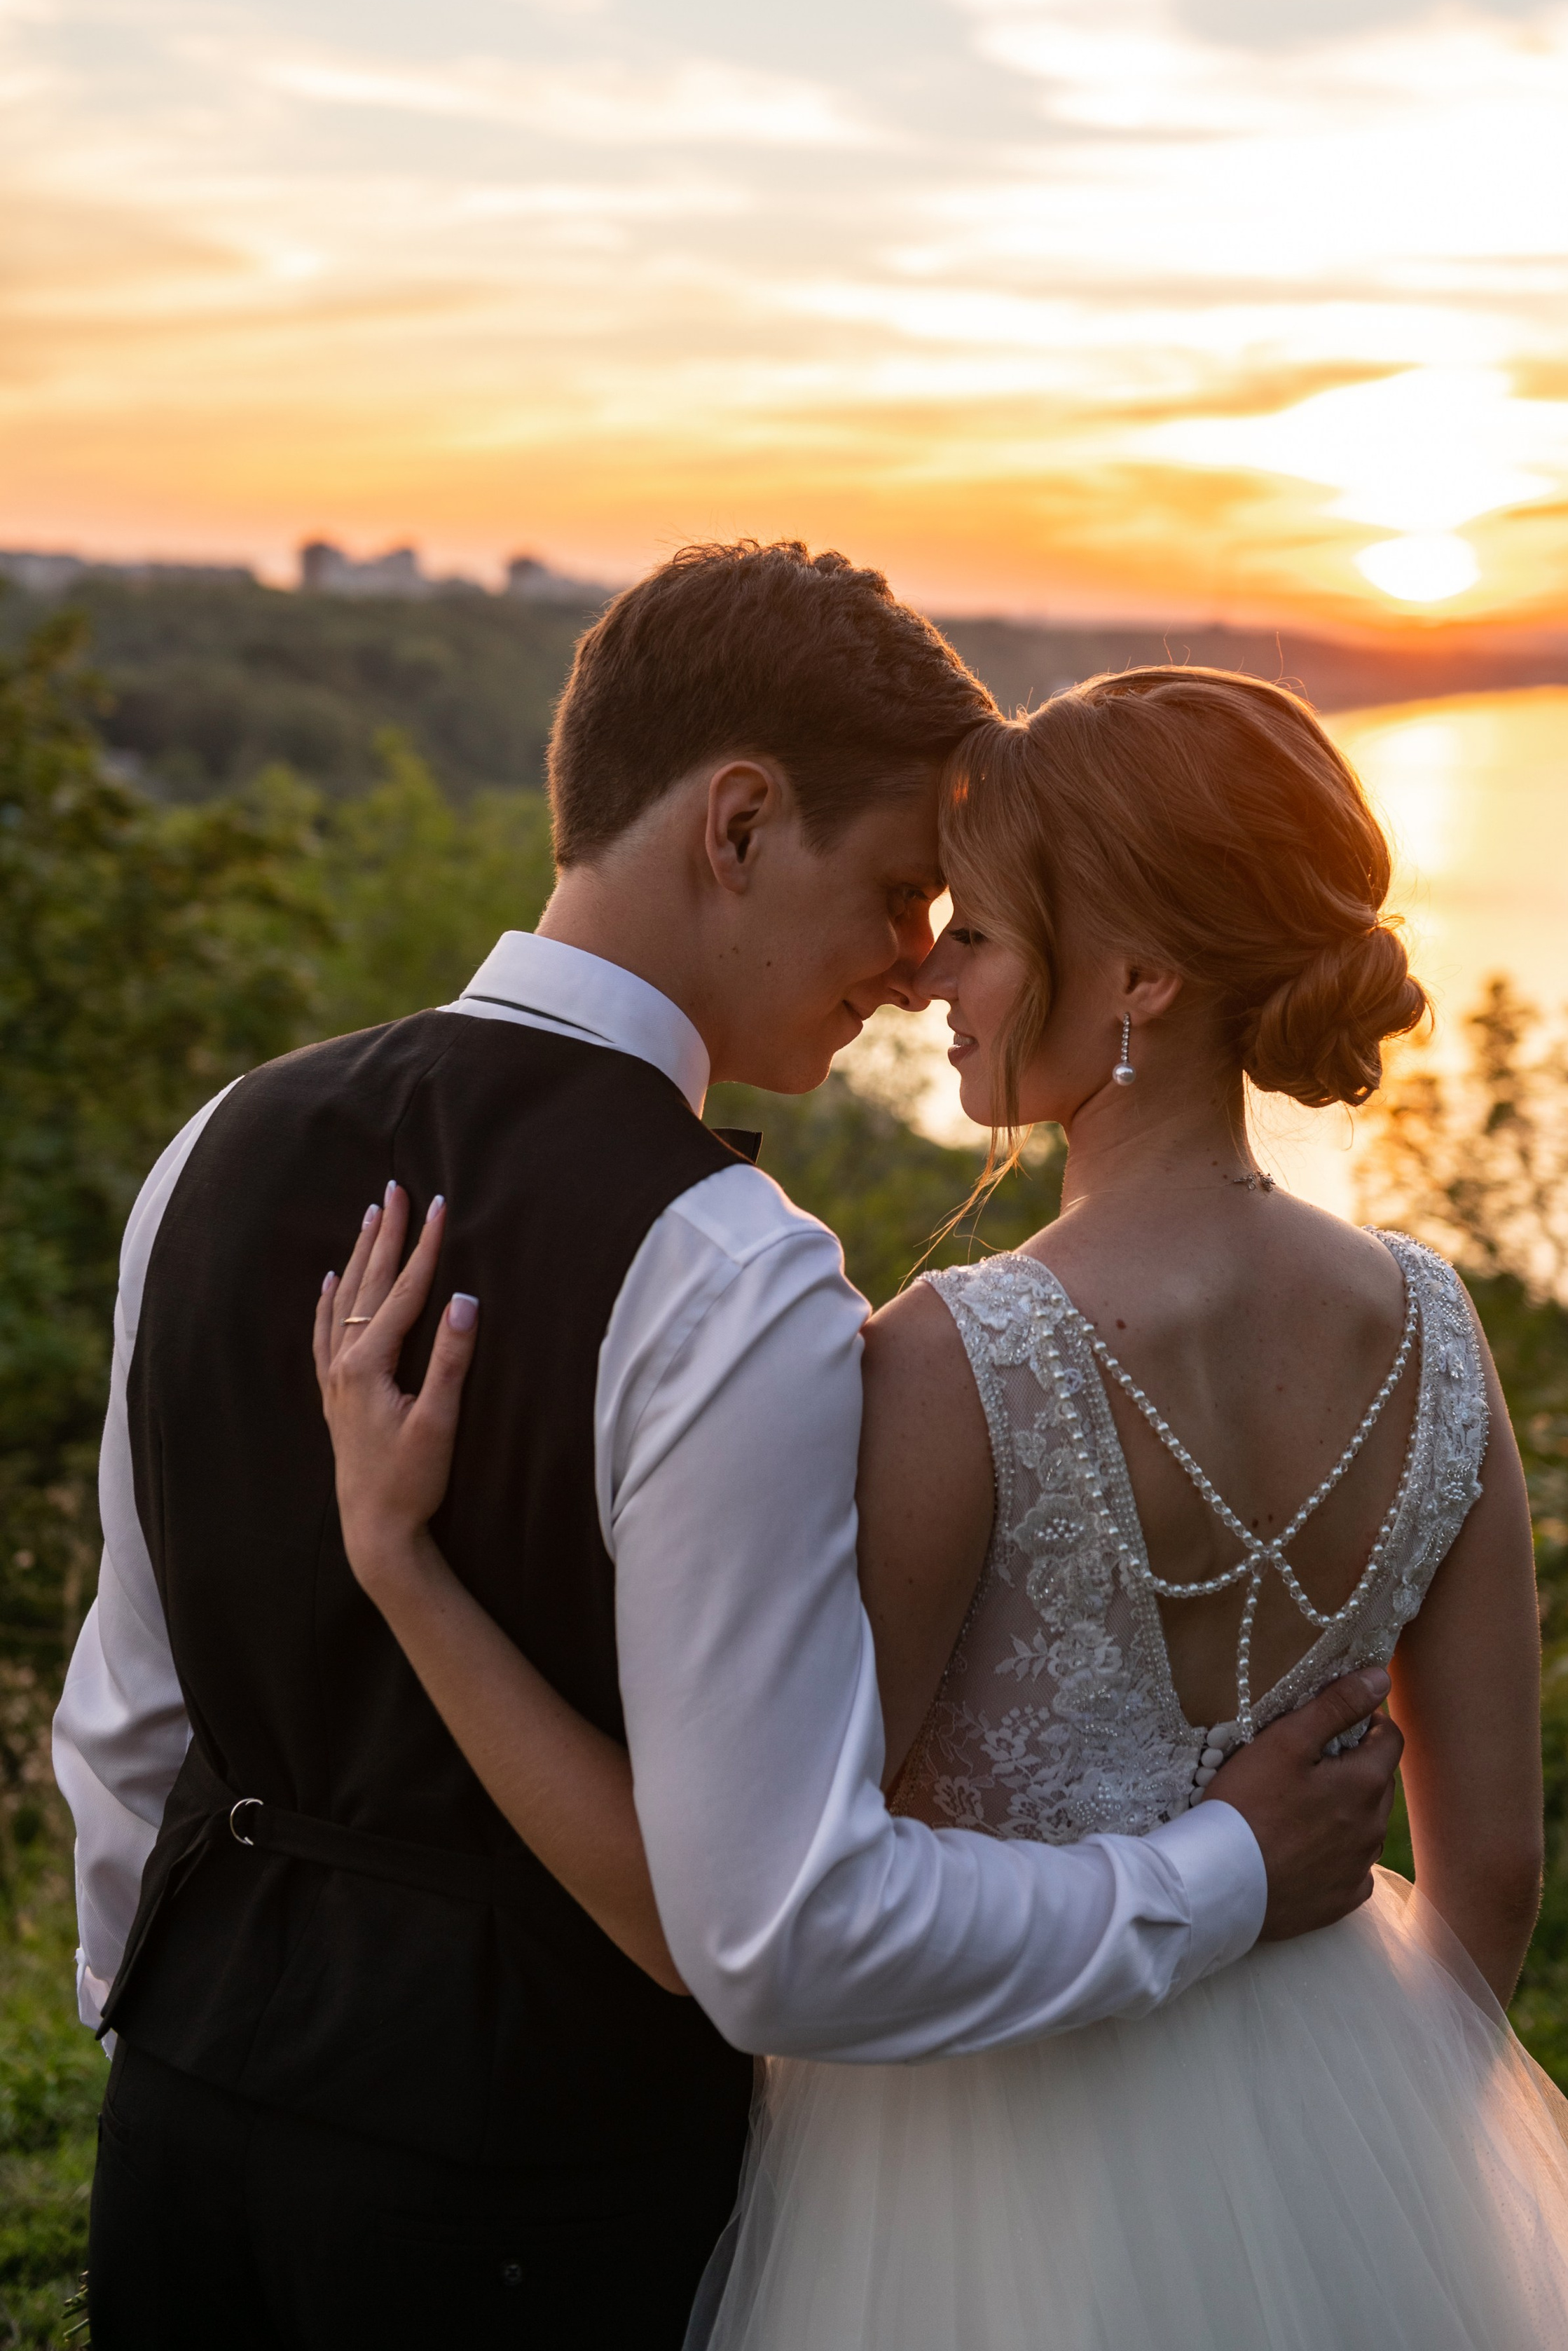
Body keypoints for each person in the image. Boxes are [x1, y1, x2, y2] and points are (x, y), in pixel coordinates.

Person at [53, 548, 1399, 2351]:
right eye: (900, 886)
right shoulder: (727, 1267)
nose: (920, 960)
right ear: (738, 825)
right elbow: (778, 1935)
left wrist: (165, 2026)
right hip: (521, 2203)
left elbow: (128, 1715)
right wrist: (1220, 1871)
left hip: (184, 2135)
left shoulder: (218, 1141)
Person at [319, 663, 1568, 2350]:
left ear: (1138, 976)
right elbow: (1491, 1862)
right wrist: (1388, 2152)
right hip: (1359, 2108)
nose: (925, 977)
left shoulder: (961, 1359)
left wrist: (404, 1567)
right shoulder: (1431, 1324)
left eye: (973, 934)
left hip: (979, 2167)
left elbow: (774, 1893)